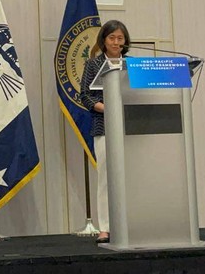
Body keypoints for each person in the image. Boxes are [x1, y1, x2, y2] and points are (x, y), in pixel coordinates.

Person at [79, 19, 131, 243]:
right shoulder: (93, 65)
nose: (116, 42)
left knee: (132, 177)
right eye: (112, 38)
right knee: (106, 178)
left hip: (131, 127)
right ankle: (106, 228)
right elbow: (85, 96)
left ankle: (132, 224)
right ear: (104, 40)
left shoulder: (132, 65)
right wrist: (108, 109)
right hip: (104, 125)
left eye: (120, 38)